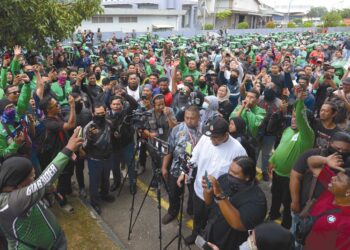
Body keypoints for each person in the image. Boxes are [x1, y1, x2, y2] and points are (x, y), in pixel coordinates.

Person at [0, 127, 83, 250]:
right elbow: (44, 180)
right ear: (19, 184)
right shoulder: (11, 203)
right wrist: (69, 148)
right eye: (31, 176)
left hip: (56, 241)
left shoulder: (17, 190)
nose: (35, 178)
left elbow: (40, 186)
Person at [178, 117, 247, 245]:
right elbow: (194, 156)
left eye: (215, 138)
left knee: (214, 222)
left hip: (219, 199)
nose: (211, 140)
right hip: (199, 191)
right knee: (198, 216)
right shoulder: (206, 138)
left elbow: (240, 177)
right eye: (211, 137)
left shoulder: (238, 150)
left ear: (226, 134)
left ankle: (208, 241)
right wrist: (184, 173)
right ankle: (196, 234)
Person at [268, 86, 315, 229]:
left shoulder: (307, 136)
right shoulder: (288, 130)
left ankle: (284, 226)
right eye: (292, 117)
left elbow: (302, 119)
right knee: (275, 196)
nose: (294, 120)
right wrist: (271, 161)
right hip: (277, 173)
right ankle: (273, 214)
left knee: (287, 201)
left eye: (297, 117)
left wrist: (299, 101)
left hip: (290, 178)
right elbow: (280, 147)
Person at [202, 156, 267, 250]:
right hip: (212, 234)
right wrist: (207, 191)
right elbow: (209, 203)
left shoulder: (257, 200)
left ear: (247, 177)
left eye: (235, 173)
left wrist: (220, 195)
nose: (229, 174)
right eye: (230, 170)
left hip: (232, 244)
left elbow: (237, 224)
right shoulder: (224, 179)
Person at [161, 105, 202, 224]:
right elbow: (169, 149)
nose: (189, 120)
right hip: (176, 169)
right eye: (187, 117)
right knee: (173, 192)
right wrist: (164, 167)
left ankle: (191, 210)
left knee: (194, 194)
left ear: (198, 118)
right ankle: (173, 211)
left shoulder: (203, 131)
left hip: (194, 170)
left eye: (192, 118)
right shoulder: (177, 129)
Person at [304, 153, 350, 250]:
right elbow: (311, 162)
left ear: (348, 192)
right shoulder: (334, 189)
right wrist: (325, 160)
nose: (332, 178)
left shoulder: (347, 222)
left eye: (338, 179)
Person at [39, 95, 76, 212]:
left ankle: (68, 190)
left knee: (69, 174)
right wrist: (72, 106)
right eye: (56, 105)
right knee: (63, 178)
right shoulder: (48, 123)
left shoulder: (57, 115)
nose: (58, 105)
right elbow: (70, 125)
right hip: (59, 156)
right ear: (48, 110)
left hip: (67, 151)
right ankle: (62, 200)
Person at [82, 103, 115, 214]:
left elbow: (113, 137)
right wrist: (91, 138)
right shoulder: (89, 127)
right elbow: (85, 147)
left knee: (106, 179)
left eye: (102, 113)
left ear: (105, 112)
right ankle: (94, 202)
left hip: (107, 157)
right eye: (98, 113)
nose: (100, 115)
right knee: (94, 182)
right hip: (94, 160)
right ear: (93, 114)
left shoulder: (109, 123)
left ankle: (105, 194)